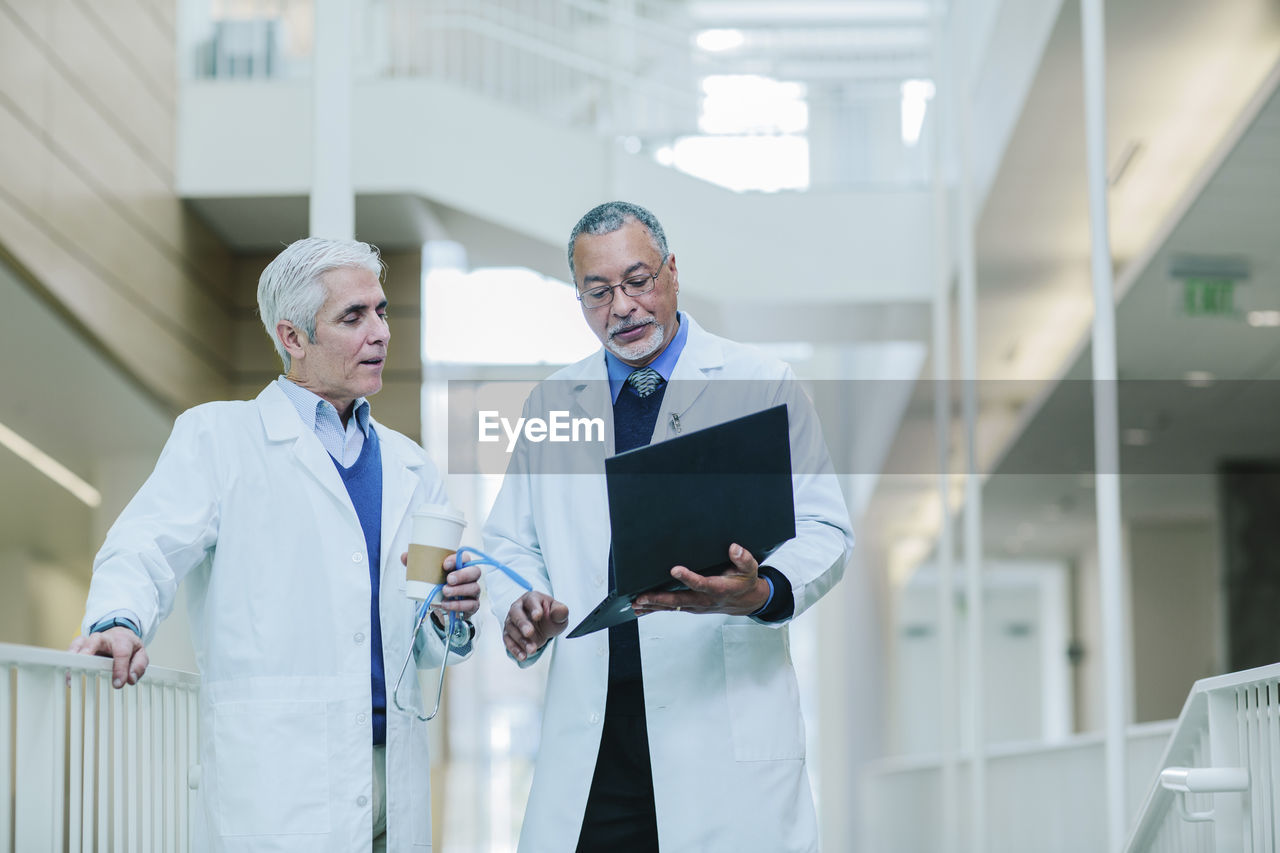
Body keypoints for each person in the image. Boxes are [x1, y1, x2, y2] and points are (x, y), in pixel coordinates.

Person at [70, 238, 480, 853]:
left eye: (382, 310)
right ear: (292, 338)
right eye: (353, 317)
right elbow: (145, 543)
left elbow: (419, 642)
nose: (380, 333)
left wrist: (449, 613)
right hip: (280, 777)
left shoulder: (412, 466)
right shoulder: (219, 437)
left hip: (392, 774)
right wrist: (118, 619)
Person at [483, 202, 854, 852]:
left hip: (719, 727)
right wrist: (522, 601)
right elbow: (510, 543)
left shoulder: (760, 384)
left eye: (638, 280)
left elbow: (824, 527)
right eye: (598, 292)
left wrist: (763, 589)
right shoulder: (551, 404)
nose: (621, 306)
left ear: (673, 272)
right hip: (597, 738)